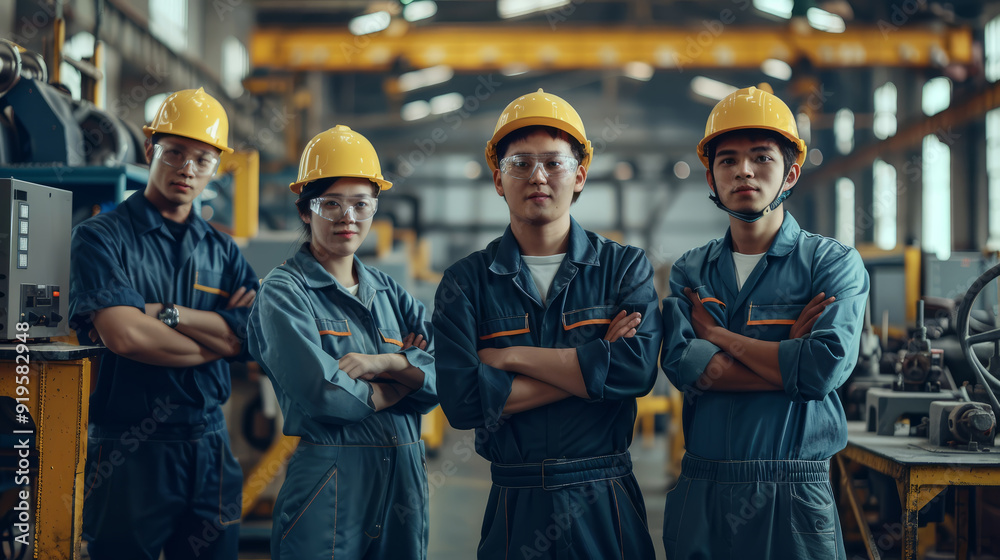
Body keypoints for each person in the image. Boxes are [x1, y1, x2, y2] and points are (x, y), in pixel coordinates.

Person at [433, 89, 662, 559]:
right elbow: (461, 402)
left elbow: (636, 373)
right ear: (498, 179)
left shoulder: (623, 268)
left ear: (579, 176)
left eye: (554, 163)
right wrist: (596, 366)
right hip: (516, 503)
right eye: (520, 163)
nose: (538, 176)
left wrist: (511, 359)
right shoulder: (465, 282)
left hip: (605, 499)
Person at [659, 85, 869, 559]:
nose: (744, 171)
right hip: (704, 489)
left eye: (761, 157)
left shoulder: (831, 265)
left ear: (791, 172)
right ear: (711, 179)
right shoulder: (691, 272)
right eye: (727, 160)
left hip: (793, 493)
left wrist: (716, 336)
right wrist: (786, 360)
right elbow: (689, 370)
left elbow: (822, 370)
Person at [69, 87, 258, 560]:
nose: (187, 169)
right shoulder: (101, 238)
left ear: (216, 166)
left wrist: (170, 315)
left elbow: (252, 336)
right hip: (129, 450)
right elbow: (125, 335)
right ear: (152, 149)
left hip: (211, 447)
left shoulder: (223, 249)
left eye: (202, 159)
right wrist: (216, 340)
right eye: (175, 153)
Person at [247, 125, 438, 559]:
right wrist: (404, 376)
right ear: (304, 210)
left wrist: (384, 366)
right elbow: (325, 393)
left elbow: (443, 376)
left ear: (374, 209)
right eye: (329, 203)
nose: (346, 217)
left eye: (360, 204)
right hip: (329, 478)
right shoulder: (284, 291)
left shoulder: (390, 292)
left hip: (404, 478)